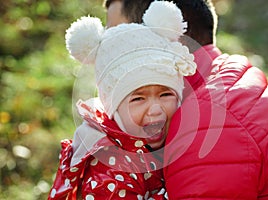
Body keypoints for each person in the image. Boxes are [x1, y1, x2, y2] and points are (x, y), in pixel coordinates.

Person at [104, 0, 268, 199]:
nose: (105, 54)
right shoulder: (230, 79)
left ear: (164, 35)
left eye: (116, 38)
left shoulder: (205, 124)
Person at [48, 1, 196, 199]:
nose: (155, 109)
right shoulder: (111, 169)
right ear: (113, 108)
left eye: (166, 94)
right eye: (138, 98)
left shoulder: (150, 144)